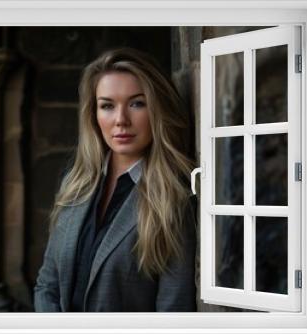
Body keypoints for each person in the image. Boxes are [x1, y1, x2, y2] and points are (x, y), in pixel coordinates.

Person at [34, 47, 197, 312]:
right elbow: (47, 286)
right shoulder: (74, 185)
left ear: (157, 110)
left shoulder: (174, 199)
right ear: (93, 115)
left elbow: (173, 310)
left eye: (137, 103)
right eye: (107, 106)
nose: (121, 120)